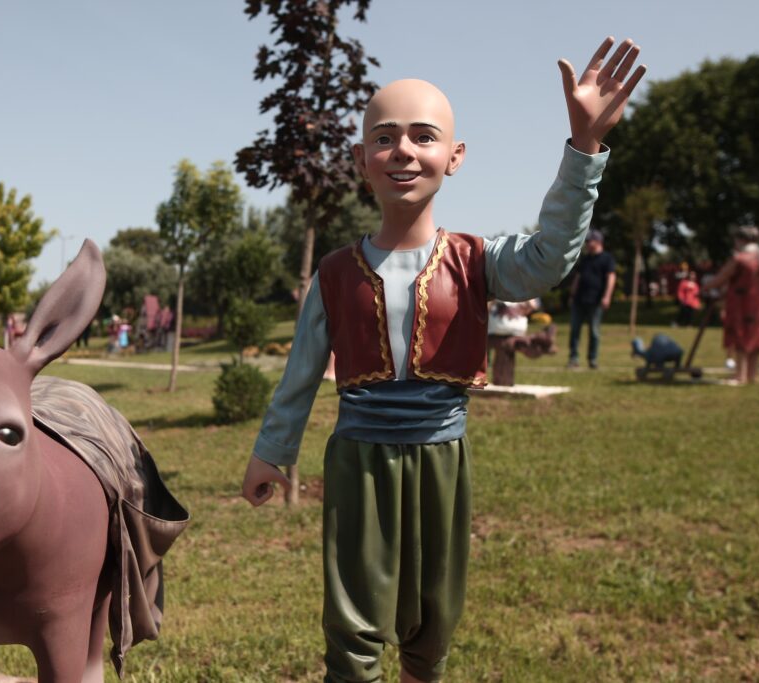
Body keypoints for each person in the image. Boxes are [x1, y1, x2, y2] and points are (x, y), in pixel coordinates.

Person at [240, 37, 644, 683]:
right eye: (384, 137)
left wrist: (584, 149)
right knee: (354, 610)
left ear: (453, 157)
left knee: (435, 609)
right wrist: (274, 448)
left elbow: (551, 256)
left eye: (423, 136)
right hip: (358, 459)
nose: (403, 150)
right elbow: (301, 373)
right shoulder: (334, 272)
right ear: (360, 159)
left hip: (441, 455)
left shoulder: (479, 260)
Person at [701, 225, 759, 384]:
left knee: (740, 336)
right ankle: (753, 375)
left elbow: (721, 278)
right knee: (755, 337)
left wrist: (704, 287)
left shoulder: (740, 258)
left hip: (741, 303)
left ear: (741, 239)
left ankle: (740, 375)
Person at [566, 229, 616, 369]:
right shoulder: (585, 258)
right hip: (579, 300)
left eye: (589, 241)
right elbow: (578, 277)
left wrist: (607, 296)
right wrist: (572, 295)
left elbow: (611, 278)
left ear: (598, 242)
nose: (587, 244)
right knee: (575, 330)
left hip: (596, 301)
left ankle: (592, 360)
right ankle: (573, 359)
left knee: (594, 332)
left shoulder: (607, 259)